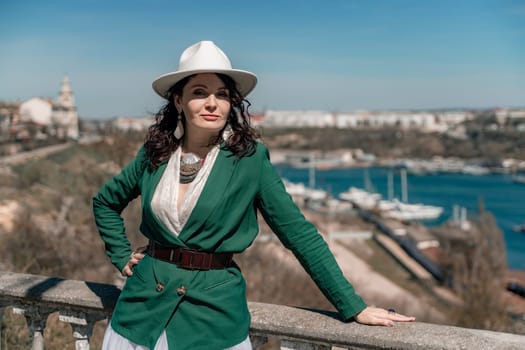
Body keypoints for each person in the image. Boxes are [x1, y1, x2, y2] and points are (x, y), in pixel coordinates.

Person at [93, 40, 415, 350]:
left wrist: (352, 305)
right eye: (199, 92)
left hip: (210, 315)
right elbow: (105, 202)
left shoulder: (249, 159)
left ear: (232, 102)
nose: (211, 103)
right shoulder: (156, 154)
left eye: (222, 94)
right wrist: (121, 256)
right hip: (139, 313)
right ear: (178, 101)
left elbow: (298, 233)